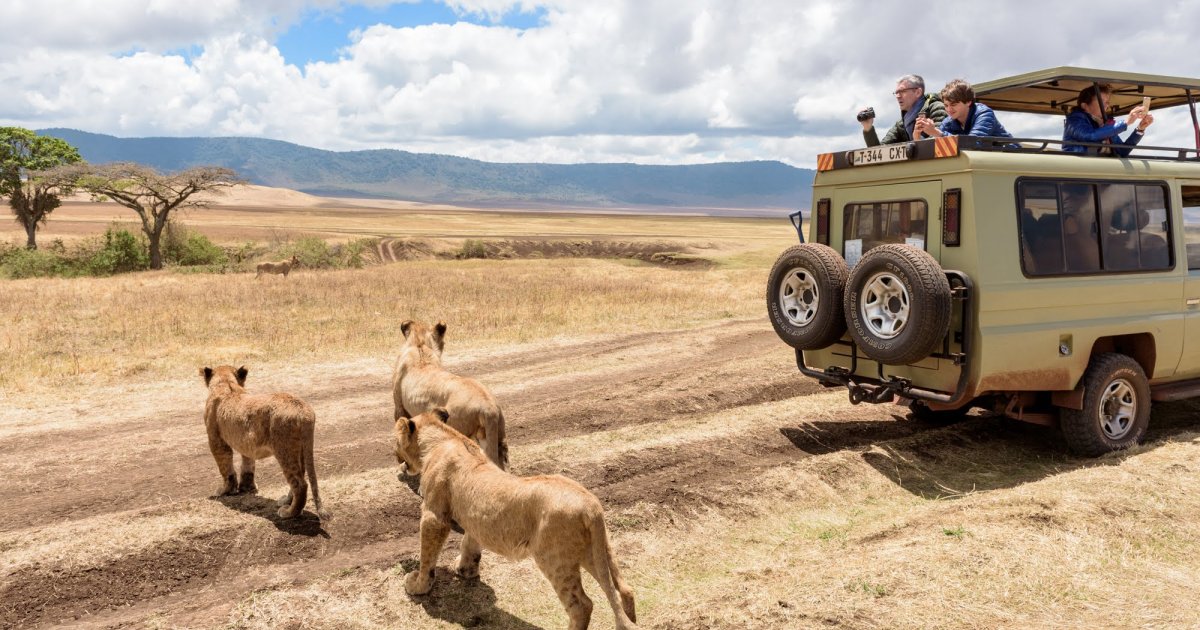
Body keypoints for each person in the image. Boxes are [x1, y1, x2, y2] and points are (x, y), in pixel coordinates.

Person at [1062, 83, 1153, 157]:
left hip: (1103, 169)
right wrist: (1125, 122)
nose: (1106, 106)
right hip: (1079, 169)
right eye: (1101, 101)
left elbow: (1122, 151)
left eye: (1107, 102)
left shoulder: (1107, 124)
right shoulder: (1074, 119)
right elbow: (1090, 136)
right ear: (1084, 105)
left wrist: (1140, 129)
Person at [858, 74, 946, 146]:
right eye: (896, 93)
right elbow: (879, 153)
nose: (898, 96)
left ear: (918, 92)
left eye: (902, 91)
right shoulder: (902, 123)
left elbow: (940, 141)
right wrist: (868, 127)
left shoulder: (936, 108)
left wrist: (918, 140)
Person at [915, 79, 1013, 140]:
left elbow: (973, 142)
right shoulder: (948, 122)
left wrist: (937, 133)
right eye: (946, 105)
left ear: (968, 102)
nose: (949, 109)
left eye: (953, 104)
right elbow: (935, 143)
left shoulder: (984, 114)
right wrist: (917, 136)